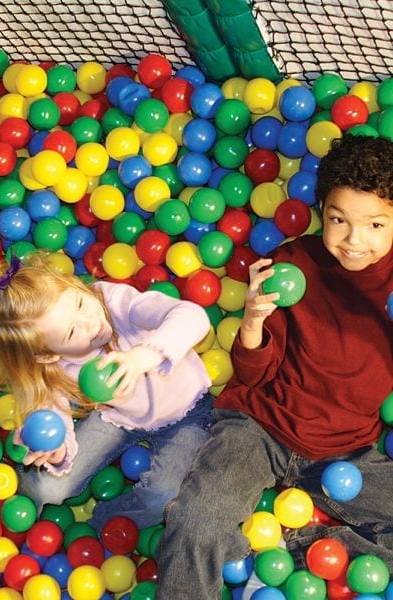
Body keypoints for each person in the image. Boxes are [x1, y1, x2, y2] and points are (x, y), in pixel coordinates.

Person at [156, 133, 393, 598]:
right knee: (195, 519)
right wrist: (252, 322)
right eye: (338, 220)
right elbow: (253, 374)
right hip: (260, 427)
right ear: (321, 210)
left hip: (347, 450)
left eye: (376, 226)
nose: (353, 240)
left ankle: (313, 546)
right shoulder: (293, 264)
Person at [0, 252, 214, 531]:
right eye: (70, 333)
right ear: (48, 356)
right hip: (119, 419)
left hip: (187, 411)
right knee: (45, 490)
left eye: (79, 303)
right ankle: (36, 510)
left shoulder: (114, 303)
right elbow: (53, 417)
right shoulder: (53, 371)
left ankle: (105, 525)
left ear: (76, 286)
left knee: (162, 497)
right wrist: (56, 450)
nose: (89, 321)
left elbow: (193, 316)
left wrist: (145, 355)